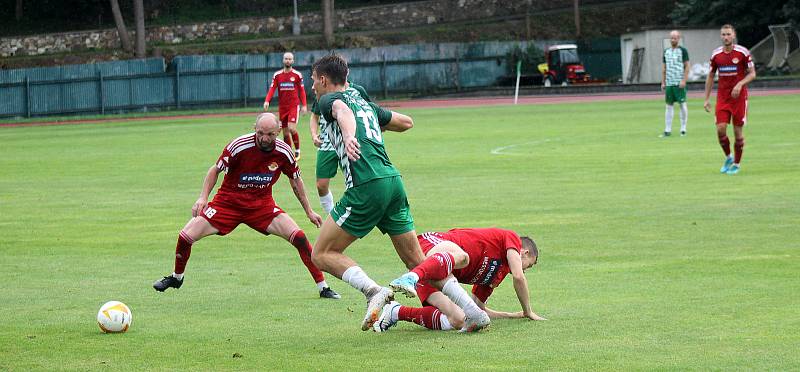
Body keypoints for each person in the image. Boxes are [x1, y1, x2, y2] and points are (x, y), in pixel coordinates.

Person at [308, 54, 491, 332]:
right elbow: (406, 122)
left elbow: (341, 113)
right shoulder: (362, 101)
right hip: (393, 182)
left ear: (323, 79)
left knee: (321, 253)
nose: (312, 87)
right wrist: (370, 120)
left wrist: (349, 135)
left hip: (367, 185)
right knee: (418, 262)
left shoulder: (327, 100)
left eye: (312, 80)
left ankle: (372, 291)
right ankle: (472, 312)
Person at [152, 113, 340, 299]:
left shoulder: (284, 152)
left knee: (299, 237)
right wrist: (203, 198)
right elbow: (215, 170)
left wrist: (309, 211)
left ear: (278, 132)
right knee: (185, 237)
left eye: (270, 135)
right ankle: (177, 278)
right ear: (254, 129)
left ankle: (323, 287)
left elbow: (295, 181)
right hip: (227, 204)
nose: (264, 139)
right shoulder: (239, 146)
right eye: (260, 133)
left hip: (262, 206)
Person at [377, 228, 546, 332]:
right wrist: (528, 311)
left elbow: (477, 310)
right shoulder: (511, 238)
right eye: (528, 265)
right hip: (433, 246)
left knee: (459, 319)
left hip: (440, 273)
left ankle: (396, 311)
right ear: (524, 252)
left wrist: (511, 315)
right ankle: (412, 276)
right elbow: (518, 276)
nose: (524, 269)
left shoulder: (497, 274)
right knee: (461, 257)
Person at [309, 81, 372, 215]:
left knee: (357, 182)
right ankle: (332, 216)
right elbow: (314, 116)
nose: (313, 86)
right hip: (327, 144)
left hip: (352, 143)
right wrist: (314, 135)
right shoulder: (323, 92)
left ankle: (361, 213)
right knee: (321, 185)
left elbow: (370, 111)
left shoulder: (357, 90)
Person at [704, 24, 756, 175]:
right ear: (721, 36)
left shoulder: (742, 52)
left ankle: (737, 164)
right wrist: (706, 99)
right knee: (720, 129)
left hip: (739, 98)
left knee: (737, 132)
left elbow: (752, 73)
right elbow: (711, 76)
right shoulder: (716, 55)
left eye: (728, 34)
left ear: (733, 35)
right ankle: (728, 157)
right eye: (723, 34)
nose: (726, 37)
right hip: (723, 97)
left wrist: (740, 84)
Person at [264, 52, 308, 159]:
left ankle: (297, 150)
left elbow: (302, 91)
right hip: (282, 107)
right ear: (283, 60)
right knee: (285, 133)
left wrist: (304, 105)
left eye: (290, 59)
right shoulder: (277, 75)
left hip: (293, 106)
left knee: (291, 128)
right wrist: (267, 101)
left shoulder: (297, 75)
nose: (288, 60)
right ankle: (288, 153)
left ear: (293, 61)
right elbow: (272, 88)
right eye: (286, 58)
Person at [661, 30, 690, 137]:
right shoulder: (666, 51)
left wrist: (684, 80)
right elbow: (664, 67)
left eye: (675, 38)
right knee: (669, 105)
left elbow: (687, 66)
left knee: (682, 104)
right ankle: (667, 130)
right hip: (669, 82)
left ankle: (683, 129)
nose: (673, 40)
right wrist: (663, 81)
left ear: (679, 38)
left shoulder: (683, 51)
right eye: (672, 38)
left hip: (679, 82)